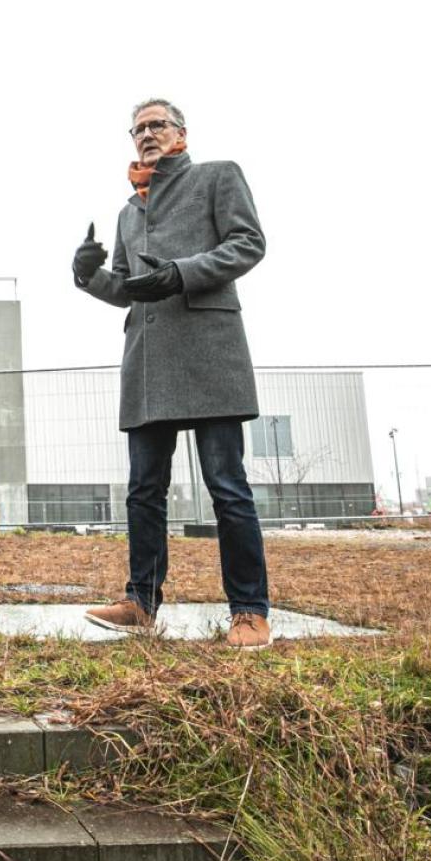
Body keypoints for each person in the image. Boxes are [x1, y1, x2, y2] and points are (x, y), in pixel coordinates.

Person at [72, 98, 273, 649]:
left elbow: (248, 244)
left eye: (156, 125)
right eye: (137, 129)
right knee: (144, 490)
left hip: (210, 350)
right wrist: (89, 277)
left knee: (227, 487)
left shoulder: (217, 177)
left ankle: (250, 611)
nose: (145, 135)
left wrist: (182, 274)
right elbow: (128, 287)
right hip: (148, 360)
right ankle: (141, 602)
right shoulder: (127, 211)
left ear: (181, 131)